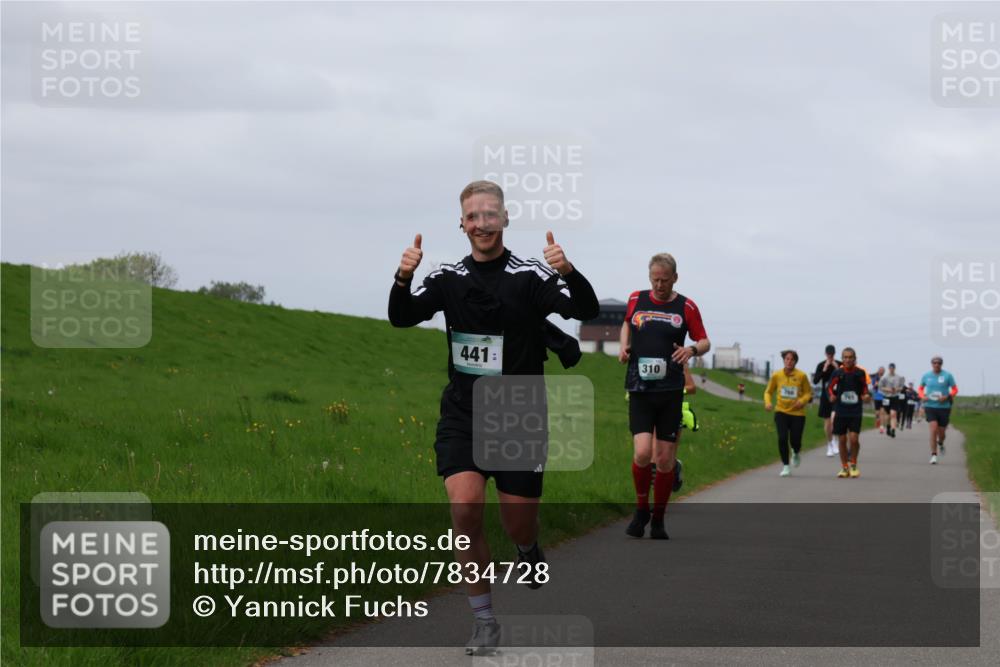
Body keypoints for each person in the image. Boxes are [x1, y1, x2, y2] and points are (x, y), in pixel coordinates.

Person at [388, 180, 599, 655]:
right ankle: (484, 621)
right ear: (461, 225)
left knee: (516, 523)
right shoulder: (447, 276)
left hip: (519, 413)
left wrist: (568, 270)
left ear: (505, 220)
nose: (481, 223)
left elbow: (582, 310)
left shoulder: (529, 275)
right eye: (472, 216)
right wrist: (402, 278)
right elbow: (401, 317)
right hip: (463, 410)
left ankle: (528, 549)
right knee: (464, 510)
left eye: (490, 214)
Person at [619, 253, 710, 540]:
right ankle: (641, 509)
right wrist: (624, 346)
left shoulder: (686, 306)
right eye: (654, 279)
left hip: (670, 391)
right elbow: (626, 323)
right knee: (643, 452)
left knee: (666, 459)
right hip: (640, 388)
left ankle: (658, 519)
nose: (659, 285)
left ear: (675, 278)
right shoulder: (636, 299)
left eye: (664, 280)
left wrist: (692, 351)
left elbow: (704, 340)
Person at [764, 350, 813, 477]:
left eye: (792, 359)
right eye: (787, 359)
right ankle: (786, 466)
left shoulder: (802, 376)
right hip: (781, 412)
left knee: (795, 441)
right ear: (784, 360)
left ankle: (795, 452)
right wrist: (768, 403)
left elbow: (808, 392)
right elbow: (768, 391)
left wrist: (802, 401)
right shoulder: (776, 375)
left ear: (795, 361)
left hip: (798, 414)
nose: (789, 361)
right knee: (782, 438)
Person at [827, 347, 871, 478]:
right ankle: (844, 467)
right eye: (845, 357)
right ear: (842, 359)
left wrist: (866, 396)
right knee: (841, 439)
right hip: (841, 410)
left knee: (853, 439)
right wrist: (831, 396)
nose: (847, 360)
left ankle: (853, 464)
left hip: (855, 411)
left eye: (850, 357)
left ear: (854, 359)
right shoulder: (837, 373)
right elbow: (829, 388)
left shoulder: (859, 373)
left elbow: (864, 390)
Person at [919, 356, 959, 465]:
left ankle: (940, 442)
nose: (937, 364)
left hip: (944, 407)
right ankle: (933, 455)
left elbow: (955, 389)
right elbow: (920, 388)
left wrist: (947, 397)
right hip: (930, 406)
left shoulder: (947, 375)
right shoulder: (926, 376)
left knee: (942, 433)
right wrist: (923, 396)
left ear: (942, 364)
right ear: (931, 364)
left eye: (939, 363)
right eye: (934, 363)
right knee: (933, 429)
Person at [812, 344, 841, 457]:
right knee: (828, 422)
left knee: (835, 420)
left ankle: (836, 441)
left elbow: (843, 376)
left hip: (837, 395)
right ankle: (830, 444)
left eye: (832, 354)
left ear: (834, 354)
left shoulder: (839, 364)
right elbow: (815, 380)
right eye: (828, 354)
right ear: (825, 354)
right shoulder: (821, 365)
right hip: (825, 396)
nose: (830, 356)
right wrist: (824, 369)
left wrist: (837, 367)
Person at [878, 363, 906, 438]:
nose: (891, 369)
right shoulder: (884, 377)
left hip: (895, 397)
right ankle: (888, 426)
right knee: (888, 414)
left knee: (893, 414)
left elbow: (902, 387)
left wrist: (896, 389)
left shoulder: (899, 377)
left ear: (894, 368)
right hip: (886, 397)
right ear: (889, 368)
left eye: (892, 368)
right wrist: (888, 390)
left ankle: (893, 430)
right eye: (890, 368)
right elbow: (880, 387)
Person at [870, 365, 885, 433]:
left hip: (884, 397)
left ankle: (881, 426)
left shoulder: (885, 378)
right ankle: (877, 420)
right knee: (877, 412)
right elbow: (874, 385)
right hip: (877, 396)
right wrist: (877, 384)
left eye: (883, 370)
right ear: (879, 371)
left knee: (882, 412)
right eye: (880, 370)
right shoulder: (875, 377)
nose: (881, 371)